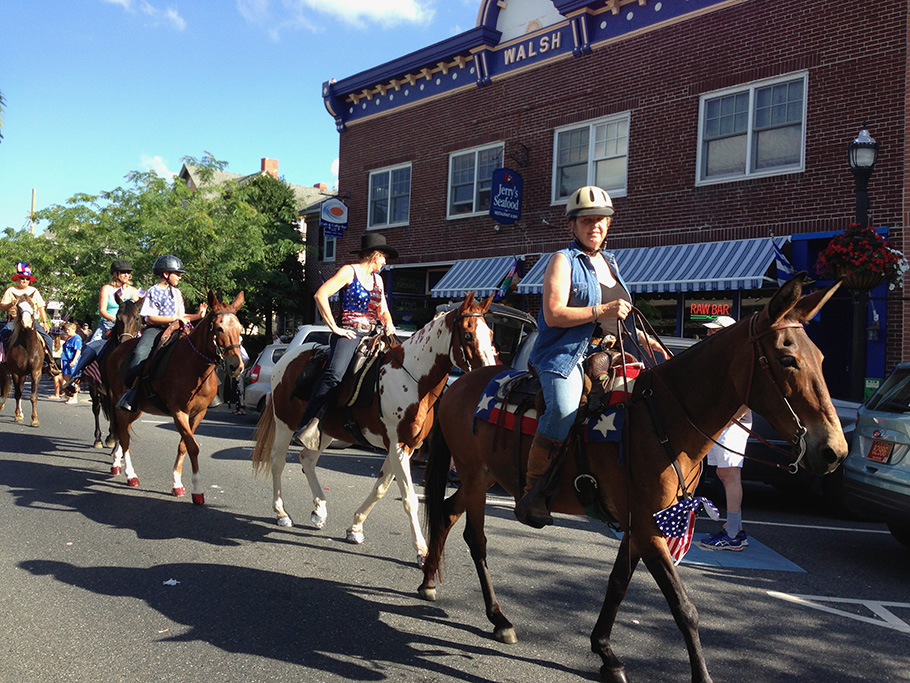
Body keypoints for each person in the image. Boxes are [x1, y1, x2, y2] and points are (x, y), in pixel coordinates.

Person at [514, 186, 660, 528]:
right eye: (588, 221)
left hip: (609, 354)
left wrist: (641, 337)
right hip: (564, 356)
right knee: (564, 409)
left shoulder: (611, 263)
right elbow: (553, 315)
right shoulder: (562, 261)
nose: (596, 226)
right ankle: (534, 490)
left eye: (602, 220)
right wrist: (600, 309)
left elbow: (615, 317)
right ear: (573, 226)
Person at [292, 233, 398, 448]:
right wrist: (335, 328)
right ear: (373, 255)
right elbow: (321, 294)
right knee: (335, 374)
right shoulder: (349, 271)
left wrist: (388, 323)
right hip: (350, 332)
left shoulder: (379, 280)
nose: (385, 261)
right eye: (383, 257)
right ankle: (306, 423)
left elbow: (383, 310)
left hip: (373, 334)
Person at [115, 254, 207, 412]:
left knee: (201, 350)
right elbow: (150, 317)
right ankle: (133, 391)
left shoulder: (177, 293)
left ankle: (208, 393)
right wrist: (174, 318)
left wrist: (199, 316)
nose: (179, 277)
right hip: (156, 329)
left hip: (178, 329)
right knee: (139, 353)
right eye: (177, 274)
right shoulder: (153, 291)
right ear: (166, 274)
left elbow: (182, 316)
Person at [698, 314, 752, 551]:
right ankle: (733, 528)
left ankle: (734, 534)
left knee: (729, 475)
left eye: (715, 330)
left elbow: (752, 394)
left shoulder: (739, 357)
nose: (709, 334)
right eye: (709, 331)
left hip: (733, 425)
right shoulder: (720, 357)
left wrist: (735, 417)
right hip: (722, 423)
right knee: (723, 474)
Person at [63, 259, 142, 391]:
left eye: (128, 272)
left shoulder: (134, 291)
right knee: (91, 347)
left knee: (143, 346)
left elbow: (135, 311)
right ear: (115, 273)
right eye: (123, 272)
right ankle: (76, 378)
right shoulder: (107, 289)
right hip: (108, 324)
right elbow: (102, 310)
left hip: (128, 326)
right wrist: (115, 320)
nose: (126, 275)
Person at [0, 261, 62, 376]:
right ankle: (4, 360)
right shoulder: (11, 291)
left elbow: (41, 307)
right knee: (2, 334)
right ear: (17, 279)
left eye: (27, 279)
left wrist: (44, 322)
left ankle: (50, 363)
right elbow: (2, 306)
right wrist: (10, 304)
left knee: (47, 338)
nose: (24, 281)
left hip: (32, 321)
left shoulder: (34, 291)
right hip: (15, 321)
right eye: (22, 278)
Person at [60, 322, 83, 405]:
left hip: (72, 360)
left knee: (73, 379)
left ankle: (74, 397)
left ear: (74, 329)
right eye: (66, 329)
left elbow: (78, 350)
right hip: (65, 359)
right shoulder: (68, 338)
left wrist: (74, 360)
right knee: (65, 377)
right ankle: (69, 395)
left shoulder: (77, 338)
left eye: (68, 330)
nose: (67, 331)